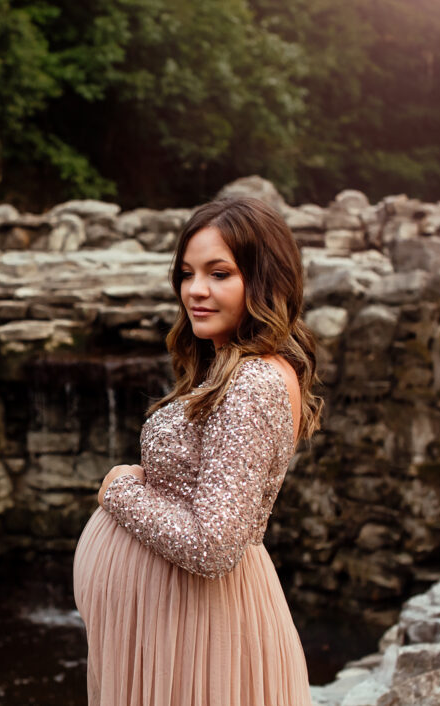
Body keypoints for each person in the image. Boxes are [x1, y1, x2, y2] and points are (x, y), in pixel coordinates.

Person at [73, 196, 323, 706]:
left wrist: (118, 490)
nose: (196, 291)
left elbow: (213, 546)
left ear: (263, 280)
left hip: (201, 625)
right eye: (187, 274)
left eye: (219, 273)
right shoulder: (240, 368)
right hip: (181, 621)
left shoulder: (253, 382)